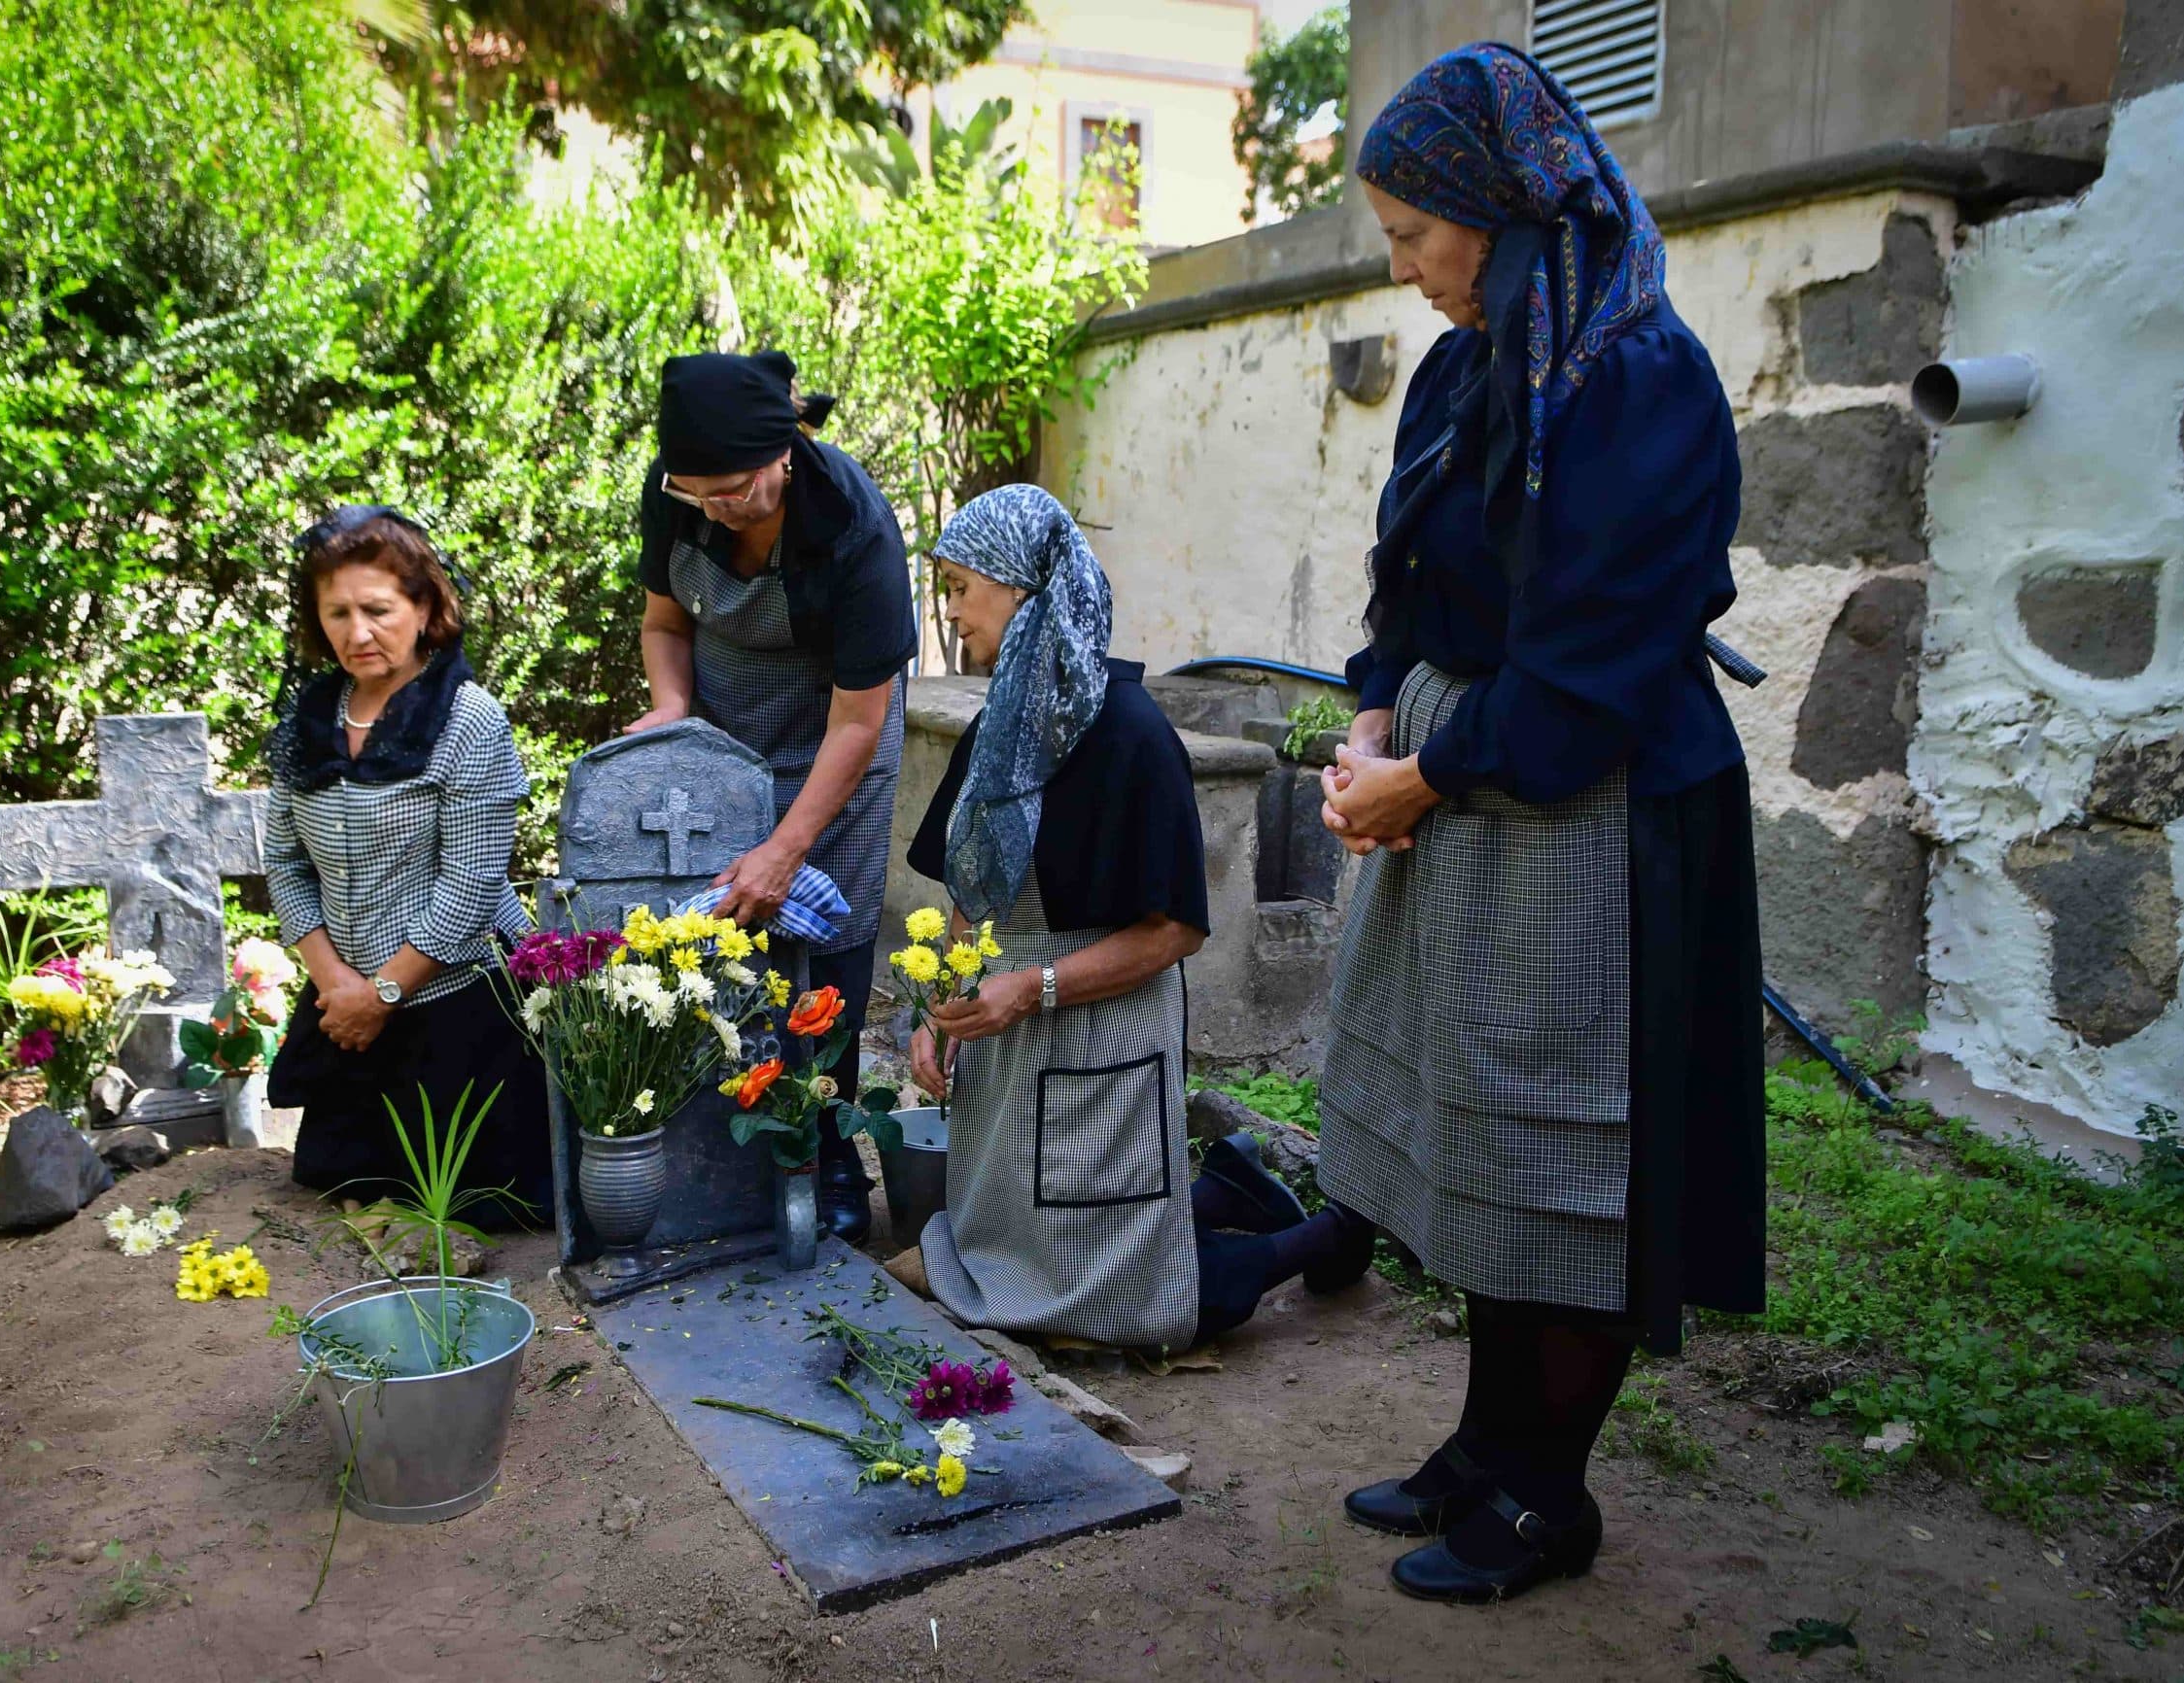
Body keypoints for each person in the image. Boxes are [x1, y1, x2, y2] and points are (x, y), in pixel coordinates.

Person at [1311, 44, 1767, 1603]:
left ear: (1501, 212)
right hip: (1460, 790)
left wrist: (1422, 776)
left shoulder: (1636, 378)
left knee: (1568, 1155)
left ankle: (1545, 1496)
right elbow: (1409, 583)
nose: (1407, 271)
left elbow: (1588, 673)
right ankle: (1483, 1443)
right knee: (1475, 1130)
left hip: (1591, 818)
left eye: (1415, 237)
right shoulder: (1464, 366)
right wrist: (1375, 716)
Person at [904, 485, 1374, 1353]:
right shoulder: (996, 729)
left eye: (962, 586)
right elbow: (969, 896)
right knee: (1016, 1246)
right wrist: (936, 1008)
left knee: (1109, 1305)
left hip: (1100, 1037)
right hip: (1013, 1028)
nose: (954, 611)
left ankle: (1324, 1236)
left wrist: (1033, 988)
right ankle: (1226, 1191)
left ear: (1022, 588)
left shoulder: (1129, 735)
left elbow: (1173, 934)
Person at [630, 351, 915, 1243]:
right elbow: (665, 621)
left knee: (826, 960)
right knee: (722, 946)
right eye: (700, 495)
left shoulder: (853, 526)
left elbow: (858, 724)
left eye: (740, 489)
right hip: (721, 730)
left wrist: (789, 847)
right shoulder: (674, 493)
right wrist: (673, 713)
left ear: (786, 449)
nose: (721, 508)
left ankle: (828, 1152)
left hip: (837, 743)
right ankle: (727, 1149)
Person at [262, 505, 553, 1224]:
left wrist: (381, 995)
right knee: (341, 1192)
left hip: (452, 1013)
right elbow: (284, 864)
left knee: (475, 1205)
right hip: (347, 1019)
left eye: (377, 609)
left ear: (425, 607)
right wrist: (337, 986)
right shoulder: (310, 720)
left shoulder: (468, 719)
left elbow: (473, 879)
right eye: (337, 613)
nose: (356, 633)